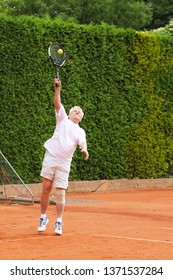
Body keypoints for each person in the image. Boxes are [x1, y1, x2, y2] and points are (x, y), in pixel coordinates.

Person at [37, 77, 89, 235]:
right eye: (75, 109)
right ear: (70, 113)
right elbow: (57, 103)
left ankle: (59, 222)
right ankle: (43, 217)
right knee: (46, 188)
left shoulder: (80, 131)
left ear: (80, 118)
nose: (77, 110)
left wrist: (84, 150)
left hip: (64, 163)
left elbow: (82, 143)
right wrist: (57, 89)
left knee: (60, 191)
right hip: (51, 157)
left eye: (80, 111)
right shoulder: (62, 119)